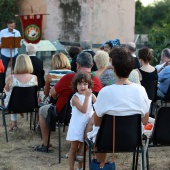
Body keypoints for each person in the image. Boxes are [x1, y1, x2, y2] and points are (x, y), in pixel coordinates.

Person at [86, 47, 151, 167]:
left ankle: (102, 165)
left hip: (106, 140)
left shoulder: (105, 92)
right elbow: (145, 120)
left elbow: (97, 122)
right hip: (133, 139)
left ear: (114, 69)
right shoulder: (141, 90)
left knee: (95, 132)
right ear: (131, 69)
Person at [34, 52, 102, 152]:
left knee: (42, 110)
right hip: (89, 117)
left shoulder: (69, 78)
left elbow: (52, 93)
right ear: (92, 65)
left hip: (64, 115)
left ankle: (46, 144)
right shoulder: (97, 81)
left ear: (77, 65)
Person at [66, 71, 96, 170]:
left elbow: (98, 106)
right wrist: (88, 97)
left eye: (85, 84)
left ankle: (80, 167)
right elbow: (83, 110)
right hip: (77, 126)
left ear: (89, 85)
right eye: (79, 84)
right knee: (73, 148)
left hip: (87, 125)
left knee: (83, 148)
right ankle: (71, 168)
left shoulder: (91, 95)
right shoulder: (75, 98)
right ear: (75, 85)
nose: (82, 86)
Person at [4, 54, 38, 130]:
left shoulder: (11, 78)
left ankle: (14, 124)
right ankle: (35, 123)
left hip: (13, 105)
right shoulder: (34, 77)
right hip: (31, 104)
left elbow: (6, 90)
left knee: (10, 94)